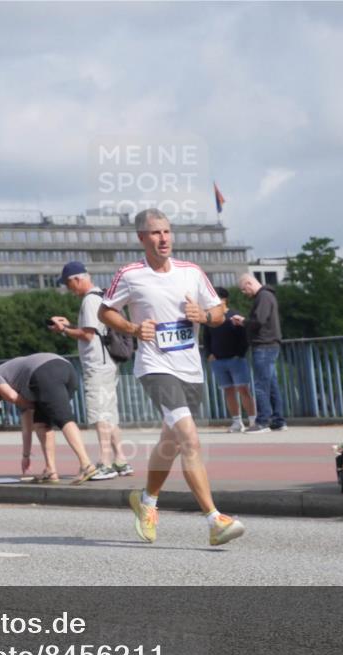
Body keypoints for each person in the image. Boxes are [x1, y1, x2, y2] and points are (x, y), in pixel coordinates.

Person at [99, 208, 245, 546]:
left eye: (166, 231)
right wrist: (134, 328)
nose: (162, 238)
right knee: (190, 440)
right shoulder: (130, 275)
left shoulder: (191, 272)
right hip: (155, 367)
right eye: (154, 233)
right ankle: (215, 519)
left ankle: (147, 501)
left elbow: (220, 311)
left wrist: (205, 315)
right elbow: (104, 311)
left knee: (171, 443)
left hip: (190, 370)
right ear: (141, 238)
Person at [49, 261, 133, 480]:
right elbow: (92, 331)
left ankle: (105, 463)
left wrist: (64, 330)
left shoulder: (90, 300)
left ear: (77, 279)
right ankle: (121, 460)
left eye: (68, 284)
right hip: (108, 364)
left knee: (99, 414)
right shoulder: (101, 297)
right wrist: (69, 326)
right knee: (109, 412)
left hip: (97, 365)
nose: (69, 290)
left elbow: (87, 335)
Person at [0, 353, 98, 485]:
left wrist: (33, 404)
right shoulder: (20, 380)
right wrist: (25, 456)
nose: (2, 399)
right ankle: (50, 470)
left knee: (63, 419)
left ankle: (86, 465)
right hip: (66, 369)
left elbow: (11, 396)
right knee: (41, 424)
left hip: (45, 373)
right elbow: (27, 427)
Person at [232, 274, 286, 432]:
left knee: (261, 385)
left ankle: (263, 421)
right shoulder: (268, 295)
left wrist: (242, 322)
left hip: (263, 345)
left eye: (244, 289)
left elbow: (258, 321)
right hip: (270, 344)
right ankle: (278, 420)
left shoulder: (263, 296)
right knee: (271, 384)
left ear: (249, 283)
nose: (244, 292)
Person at [203, 286, 255, 432]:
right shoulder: (211, 318)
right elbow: (206, 337)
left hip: (235, 359)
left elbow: (244, 337)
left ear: (224, 299)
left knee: (243, 389)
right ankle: (237, 422)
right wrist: (209, 354)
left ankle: (252, 420)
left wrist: (240, 353)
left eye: (215, 298)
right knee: (228, 391)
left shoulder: (234, 315)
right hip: (218, 361)